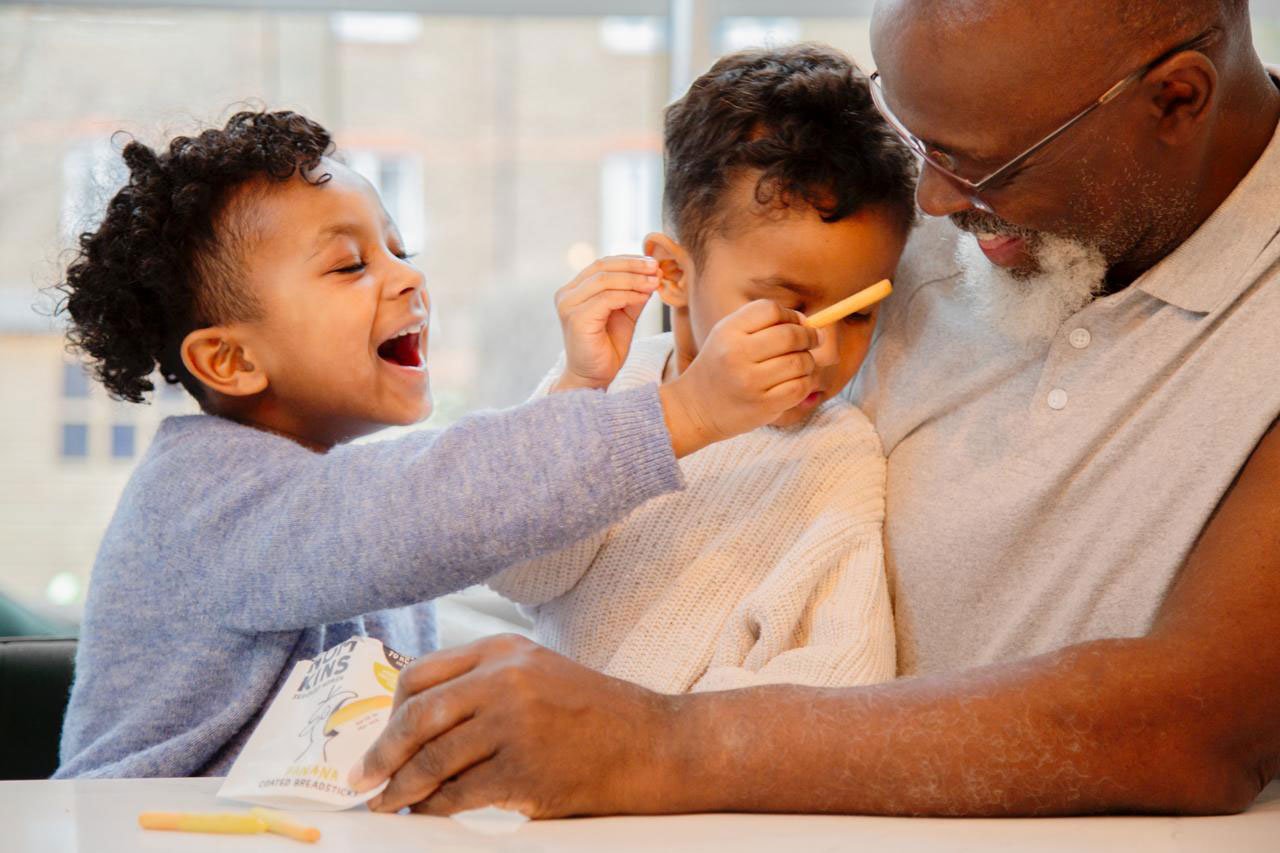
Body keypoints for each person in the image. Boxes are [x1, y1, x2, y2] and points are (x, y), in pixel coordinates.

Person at [353, 0, 1280, 817]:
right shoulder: (925, 192)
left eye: (981, 164)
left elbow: (1209, 721)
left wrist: (658, 741)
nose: (930, 203)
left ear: (1177, 99)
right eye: (917, 141)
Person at [52, 110, 825, 778]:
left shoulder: (337, 491)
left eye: (401, 250)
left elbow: (444, 513)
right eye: (351, 265)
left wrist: (579, 392)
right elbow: (440, 503)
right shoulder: (200, 500)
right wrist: (685, 410)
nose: (407, 280)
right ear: (231, 360)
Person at [488, 45, 913, 695]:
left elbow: (845, 674)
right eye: (790, 304)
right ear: (673, 274)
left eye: (856, 314)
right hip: (549, 748)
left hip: (695, 780)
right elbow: (522, 574)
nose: (823, 350)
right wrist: (576, 391)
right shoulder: (615, 389)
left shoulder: (838, 455)